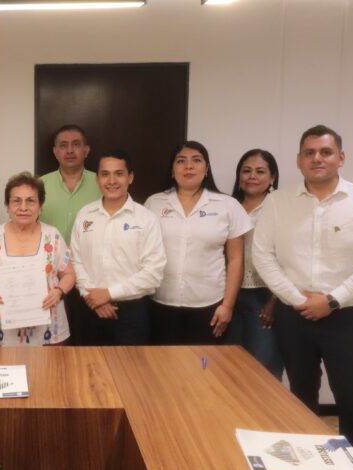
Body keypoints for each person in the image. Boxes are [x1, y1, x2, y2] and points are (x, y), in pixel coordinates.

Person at [253, 125, 353, 453]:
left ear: (340, 158)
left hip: (346, 316)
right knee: (301, 395)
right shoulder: (278, 202)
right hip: (294, 315)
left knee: (352, 397)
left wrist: (332, 300)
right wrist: (296, 299)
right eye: (309, 153)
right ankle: (306, 462)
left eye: (326, 152)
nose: (317, 158)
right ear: (298, 160)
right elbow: (262, 255)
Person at [145, 141, 251, 344]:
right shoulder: (154, 203)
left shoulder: (228, 205)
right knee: (162, 363)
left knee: (203, 363)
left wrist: (227, 306)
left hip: (210, 305)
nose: (189, 166)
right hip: (160, 302)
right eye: (181, 161)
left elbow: (236, 260)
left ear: (207, 168)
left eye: (196, 160)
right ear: (172, 169)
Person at [71, 151, 166, 345]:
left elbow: (153, 273)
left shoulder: (146, 218)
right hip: (89, 309)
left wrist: (108, 294)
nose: (112, 181)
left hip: (132, 314)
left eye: (119, 174)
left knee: (129, 365)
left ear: (130, 177)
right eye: (105, 174)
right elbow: (75, 260)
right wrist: (92, 297)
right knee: (88, 364)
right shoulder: (85, 215)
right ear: (97, 179)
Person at [0, 172, 75, 345]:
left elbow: (69, 274)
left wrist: (59, 291)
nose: (23, 207)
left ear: (40, 206)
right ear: (7, 206)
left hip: (48, 327)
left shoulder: (53, 235)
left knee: (50, 364)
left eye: (30, 201)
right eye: (16, 201)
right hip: (1, 325)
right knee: (2, 363)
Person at [39, 124, 101, 345]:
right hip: (49, 278)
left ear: (86, 150)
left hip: (91, 275)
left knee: (87, 340)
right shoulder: (40, 185)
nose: (70, 150)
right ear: (55, 152)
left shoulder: (102, 183)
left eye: (76, 144)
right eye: (63, 145)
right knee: (53, 343)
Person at [225, 149, 284, 379]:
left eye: (260, 171)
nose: (252, 176)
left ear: (272, 177)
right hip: (228, 294)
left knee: (263, 370)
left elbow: (289, 259)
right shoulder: (227, 206)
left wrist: (274, 301)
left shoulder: (280, 208)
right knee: (229, 366)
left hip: (265, 296)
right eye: (246, 171)